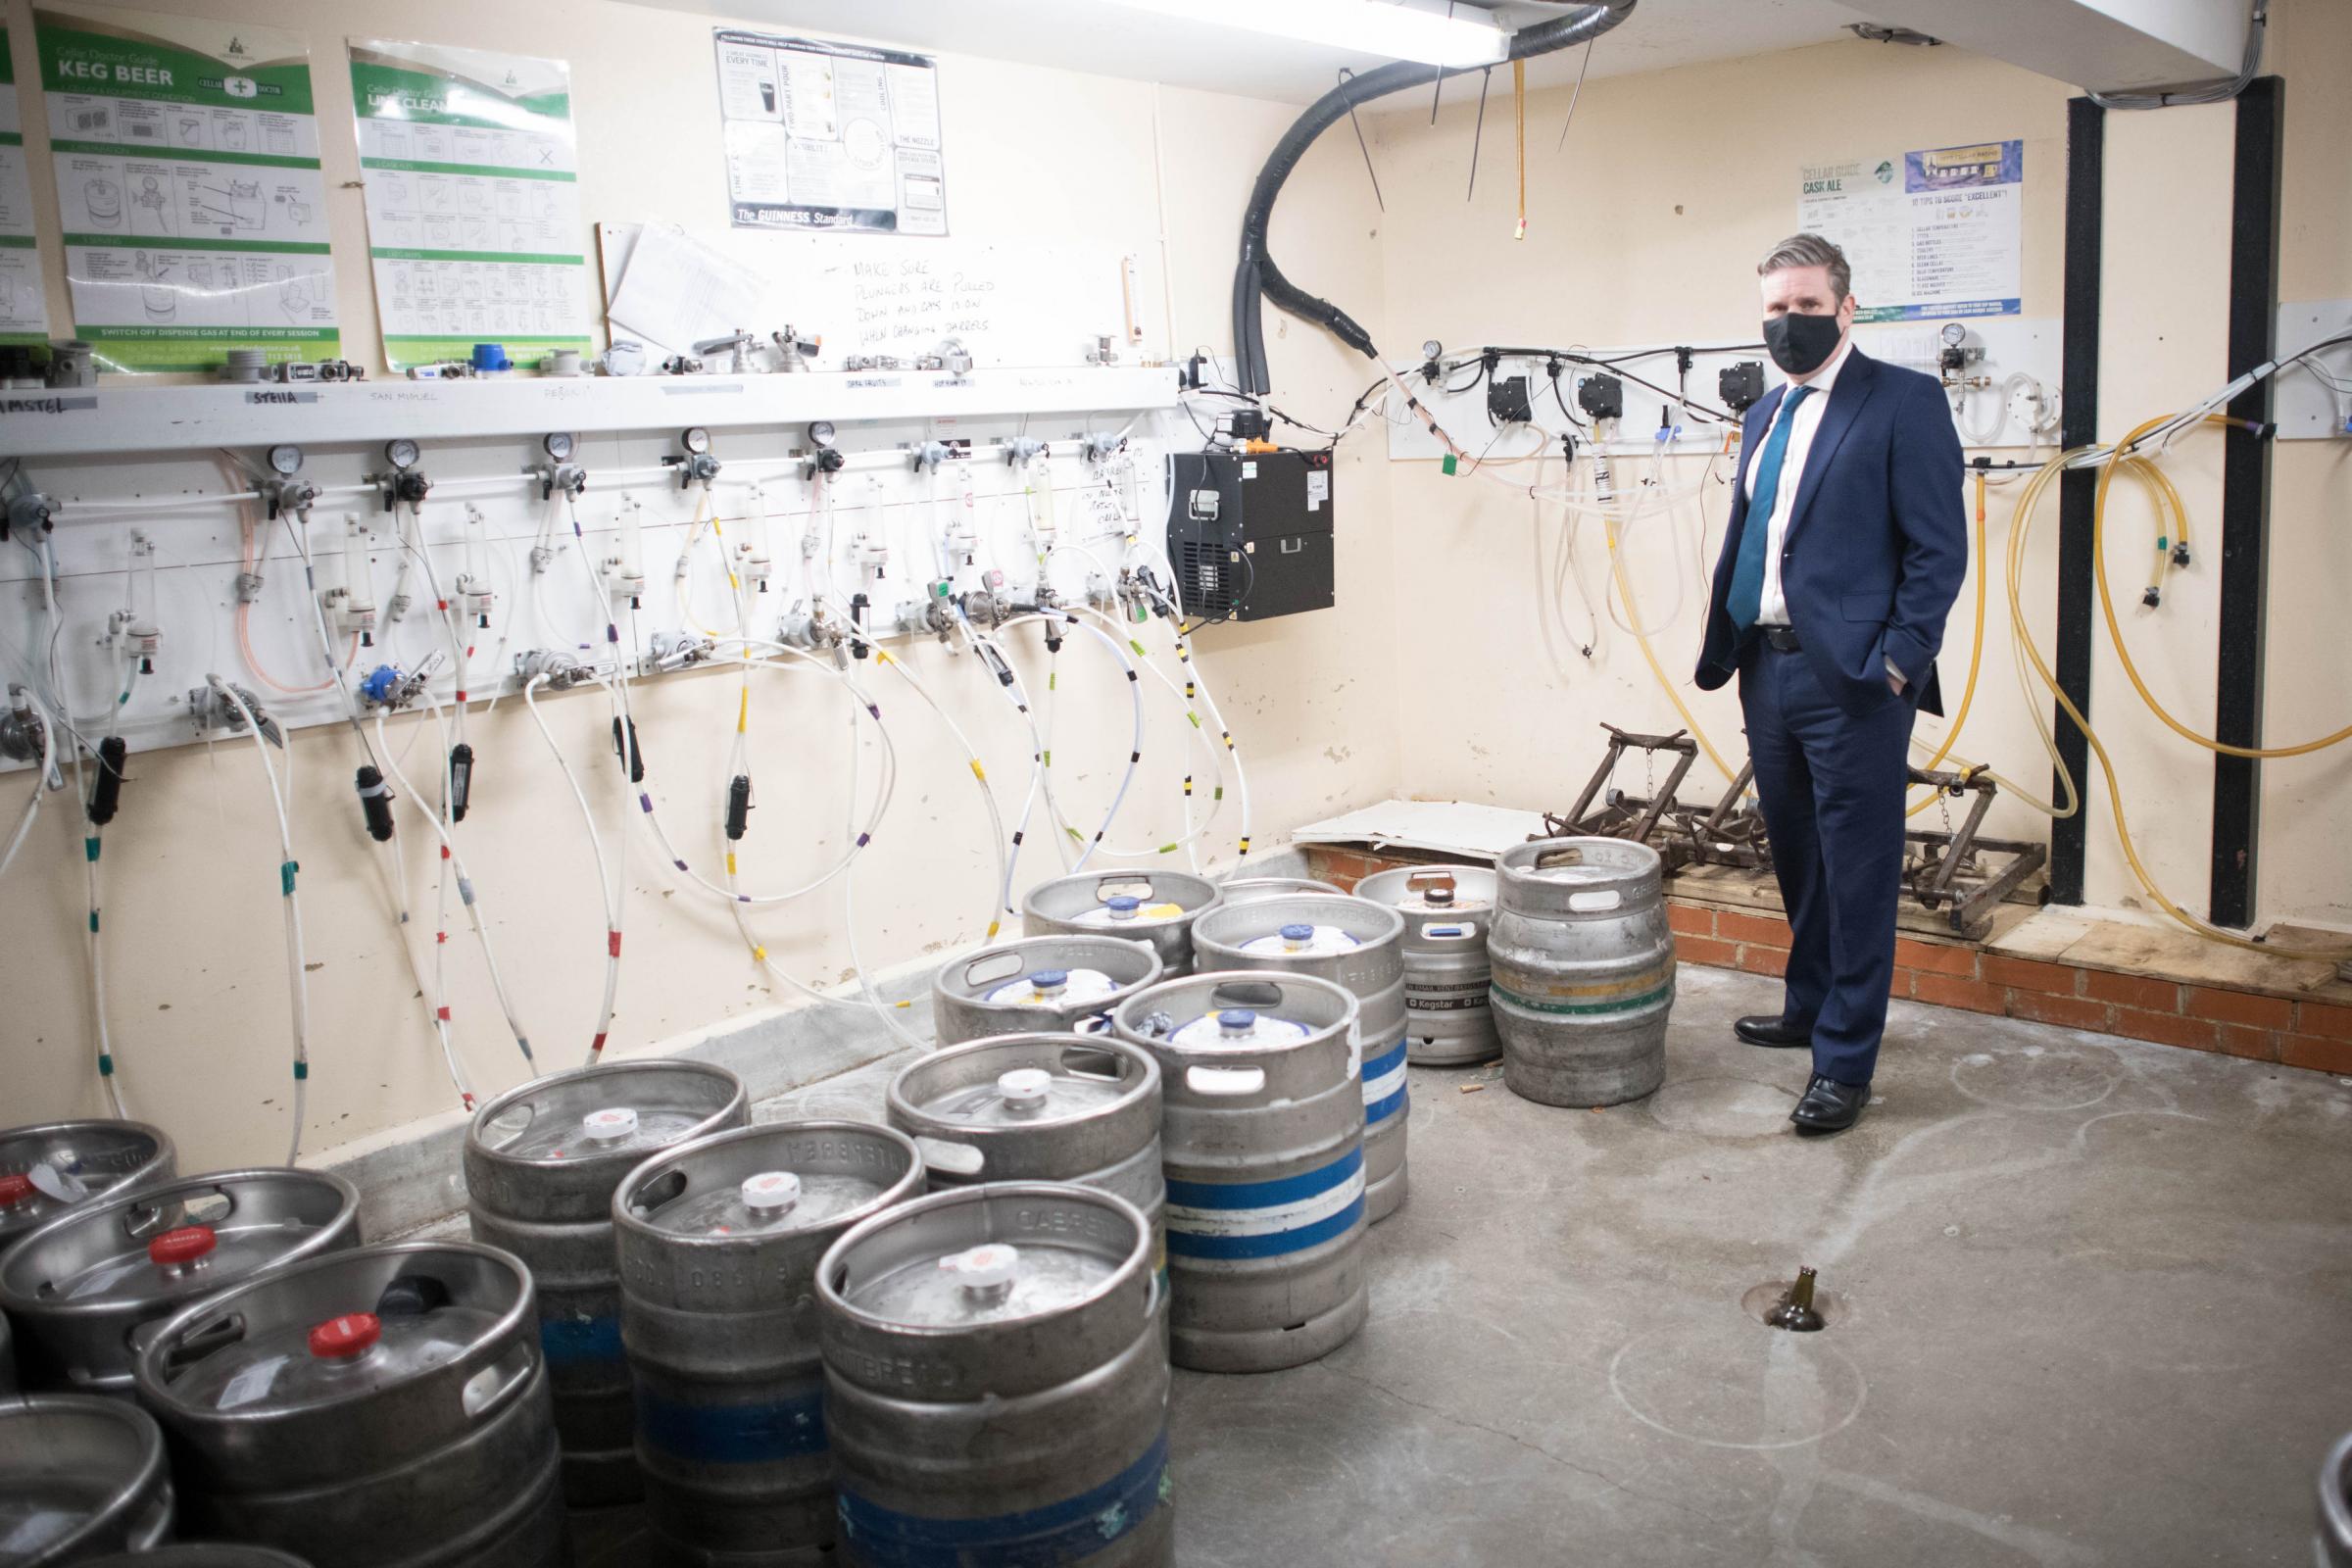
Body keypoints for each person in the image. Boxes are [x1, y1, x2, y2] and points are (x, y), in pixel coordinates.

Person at [1692, 232, 1967, 1134]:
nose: (1790, 322)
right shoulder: (1765, 413)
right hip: (1765, 671)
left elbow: (1938, 552)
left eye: (1807, 306)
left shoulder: (1904, 402)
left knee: (1859, 872)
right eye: (1776, 308)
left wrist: (1896, 663)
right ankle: (1808, 1005)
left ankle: (1845, 1059)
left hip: (1853, 683)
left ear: (1847, 309)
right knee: (1802, 860)